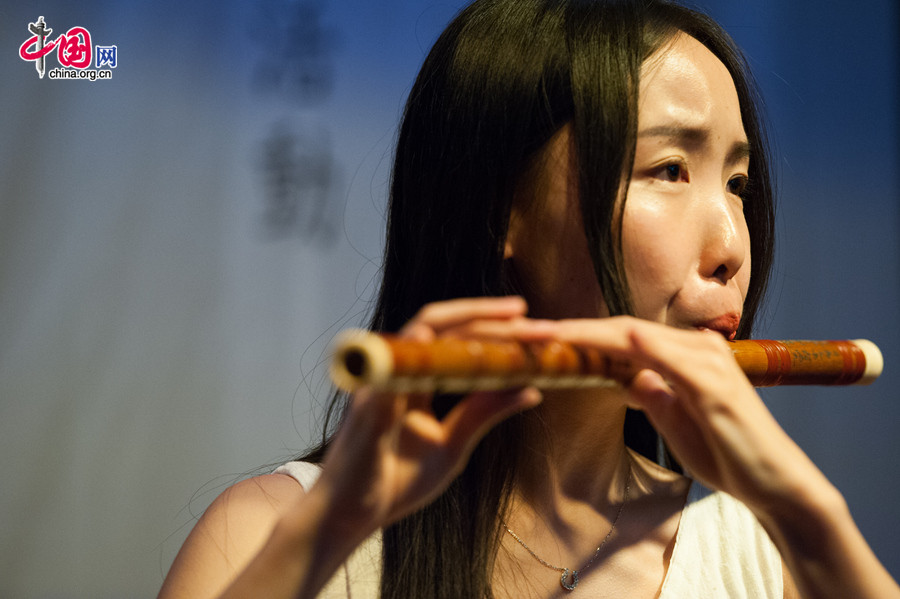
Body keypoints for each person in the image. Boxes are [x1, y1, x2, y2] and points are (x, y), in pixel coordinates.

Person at [159, 1, 900, 597]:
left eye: (737, 184)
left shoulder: (767, 556)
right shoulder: (269, 534)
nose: (733, 245)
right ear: (498, 209)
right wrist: (327, 535)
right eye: (670, 170)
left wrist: (809, 514)